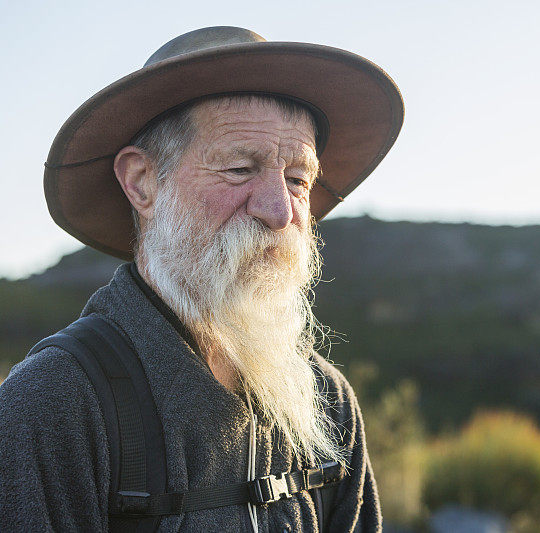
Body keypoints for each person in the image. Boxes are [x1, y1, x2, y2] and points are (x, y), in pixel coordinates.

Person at [0, 26, 403, 532]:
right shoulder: (55, 403)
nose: (281, 211)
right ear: (142, 182)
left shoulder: (326, 403)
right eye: (239, 168)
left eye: (298, 179)